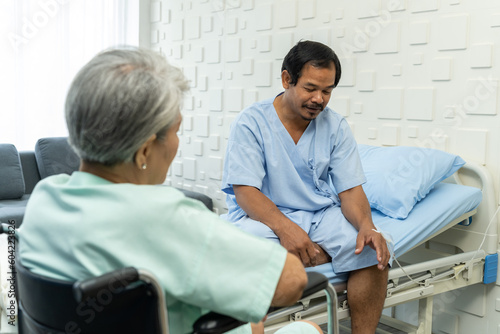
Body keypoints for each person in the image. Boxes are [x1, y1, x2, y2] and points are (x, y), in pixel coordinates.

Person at [18, 47, 323, 334]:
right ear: (144, 150)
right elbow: (290, 281)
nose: (177, 143)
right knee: (308, 329)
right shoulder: (163, 215)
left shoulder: (45, 199)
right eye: (176, 130)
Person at [221, 40, 391, 334]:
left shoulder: (335, 126)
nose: (319, 99)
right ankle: (315, 255)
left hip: (319, 213)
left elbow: (349, 190)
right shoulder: (252, 122)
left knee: (370, 253)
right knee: (248, 259)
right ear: (287, 79)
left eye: (327, 91)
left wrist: (367, 225)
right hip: (263, 216)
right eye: (310, 88)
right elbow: (245, 191)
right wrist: (286, 229)